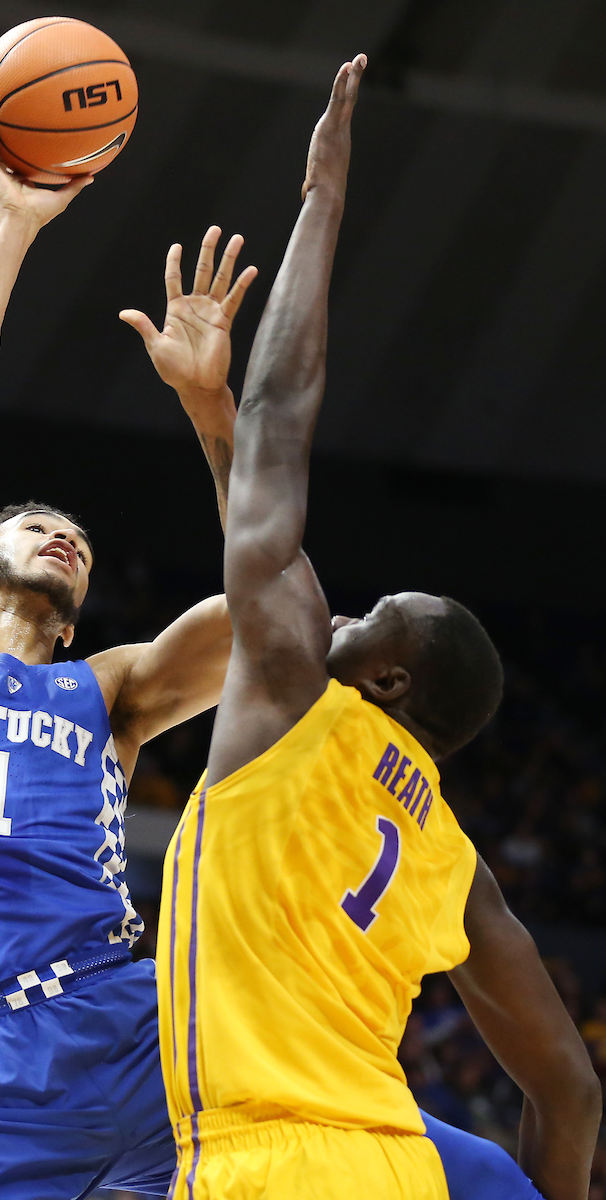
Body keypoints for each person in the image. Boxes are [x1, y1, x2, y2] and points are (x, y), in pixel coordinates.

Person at [156, 56, 602, 1200]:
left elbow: (280, 418)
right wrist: (209, 415)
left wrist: (321, 199)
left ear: (390, 680)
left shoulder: (296, 702)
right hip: (396, 1167)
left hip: (268, 1165)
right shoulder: (453, 860)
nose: (343, 611)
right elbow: (570, 1093)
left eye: (370, 618)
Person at [0, 113, 255, 1199]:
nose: (62, 534)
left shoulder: (106, 688)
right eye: (33, 525)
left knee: (433, 1170)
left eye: (76, 538)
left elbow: (273, 606)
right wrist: (13, 225)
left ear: (73, 623)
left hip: (138, 1028)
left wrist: (209, 405)